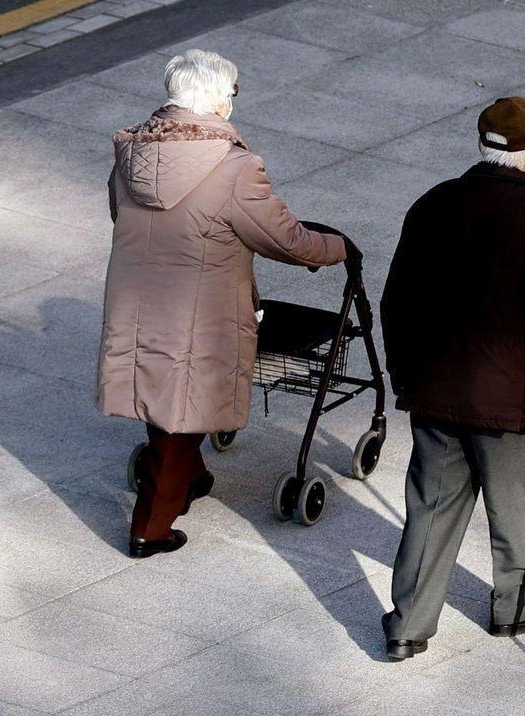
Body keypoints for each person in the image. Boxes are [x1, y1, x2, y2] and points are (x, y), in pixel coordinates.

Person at [97, 49, 349, 559]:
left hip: (137, 298)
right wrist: (338, 248)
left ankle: (191, 478)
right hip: (200, 312)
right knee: (182, 412)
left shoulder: (132, 153)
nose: (233, 101)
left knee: (164, 395)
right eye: (232, 91)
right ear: (214, 99)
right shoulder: (233, 166)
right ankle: (150, 528)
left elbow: (117, 213)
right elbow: (285, 239)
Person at [379, 96, 525, 660]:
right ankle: (520, 607)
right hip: (508, 398)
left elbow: (396, 300)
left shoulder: (432, 206)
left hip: (435, 389)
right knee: (513, 502)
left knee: (430, 505)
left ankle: (408, 625)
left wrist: (404, 372)